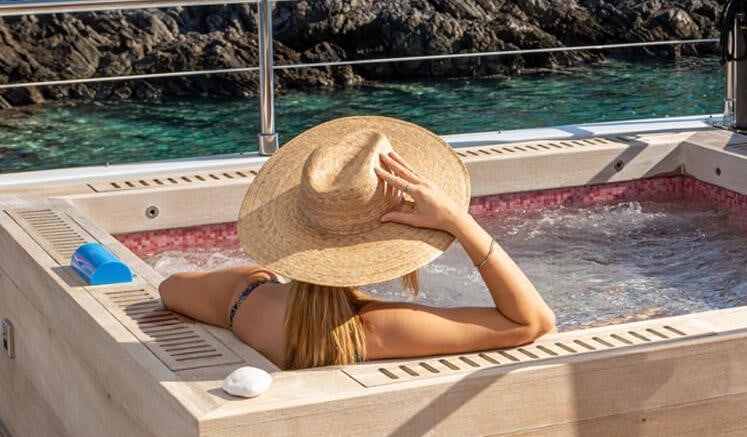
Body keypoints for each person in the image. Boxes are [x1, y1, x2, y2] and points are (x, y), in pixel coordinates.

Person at [159, 116, 555, 369]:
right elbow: (533, 321)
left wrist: (257, 274)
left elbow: (169, 288)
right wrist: (459, 221)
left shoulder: (244, 297)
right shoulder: (375, 328)